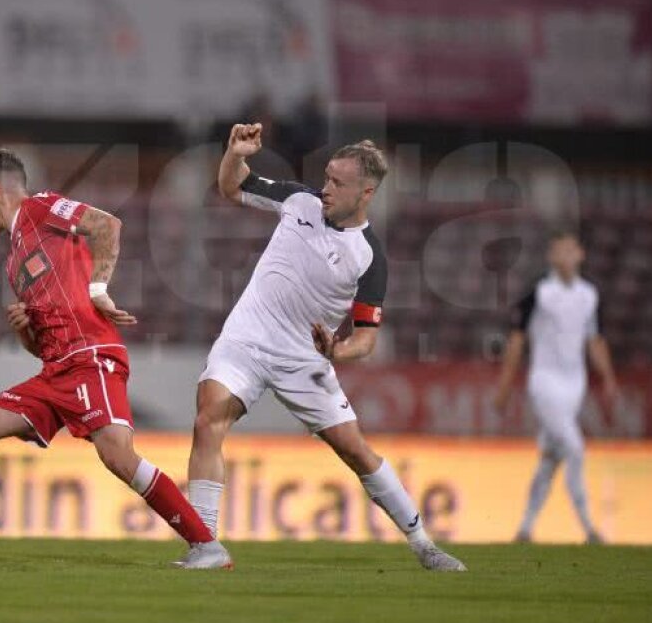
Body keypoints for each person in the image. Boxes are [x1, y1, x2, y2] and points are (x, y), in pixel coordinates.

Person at [0, 149, 229, 568]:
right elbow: (41, 348)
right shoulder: (14, 262)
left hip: (91, 357)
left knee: (117, 454)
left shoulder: (40, 207)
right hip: (56, 369)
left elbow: (107, 225)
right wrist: (24, 330)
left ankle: (206, 546)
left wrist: (98, 289)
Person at [182, 123, 467, 572]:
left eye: (338, 183)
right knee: (207, 419)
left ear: (366, 193)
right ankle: (205, 545)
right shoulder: (299, 201)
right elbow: (231, 188)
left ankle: (424, 544)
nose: (326, 188)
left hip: (305, 359)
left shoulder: (369, 258)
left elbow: (367, 340)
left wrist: (337, 352)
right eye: (327, 177)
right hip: (248, 336)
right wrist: (235, 154)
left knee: (355, 451)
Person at [493, 231, 618, 544]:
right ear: (551, 256)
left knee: (550, 459)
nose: (564, 256)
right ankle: (590, 527)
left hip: (575, 383)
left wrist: (609, 378)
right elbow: (517, 340)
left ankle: (525, 527)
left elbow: (595, 340)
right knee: (575, 448)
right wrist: (505, 387)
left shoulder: (589, 294)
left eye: (570, 250)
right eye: (558, 251)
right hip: (544, 382)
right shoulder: (539, 292)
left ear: (580, 255)